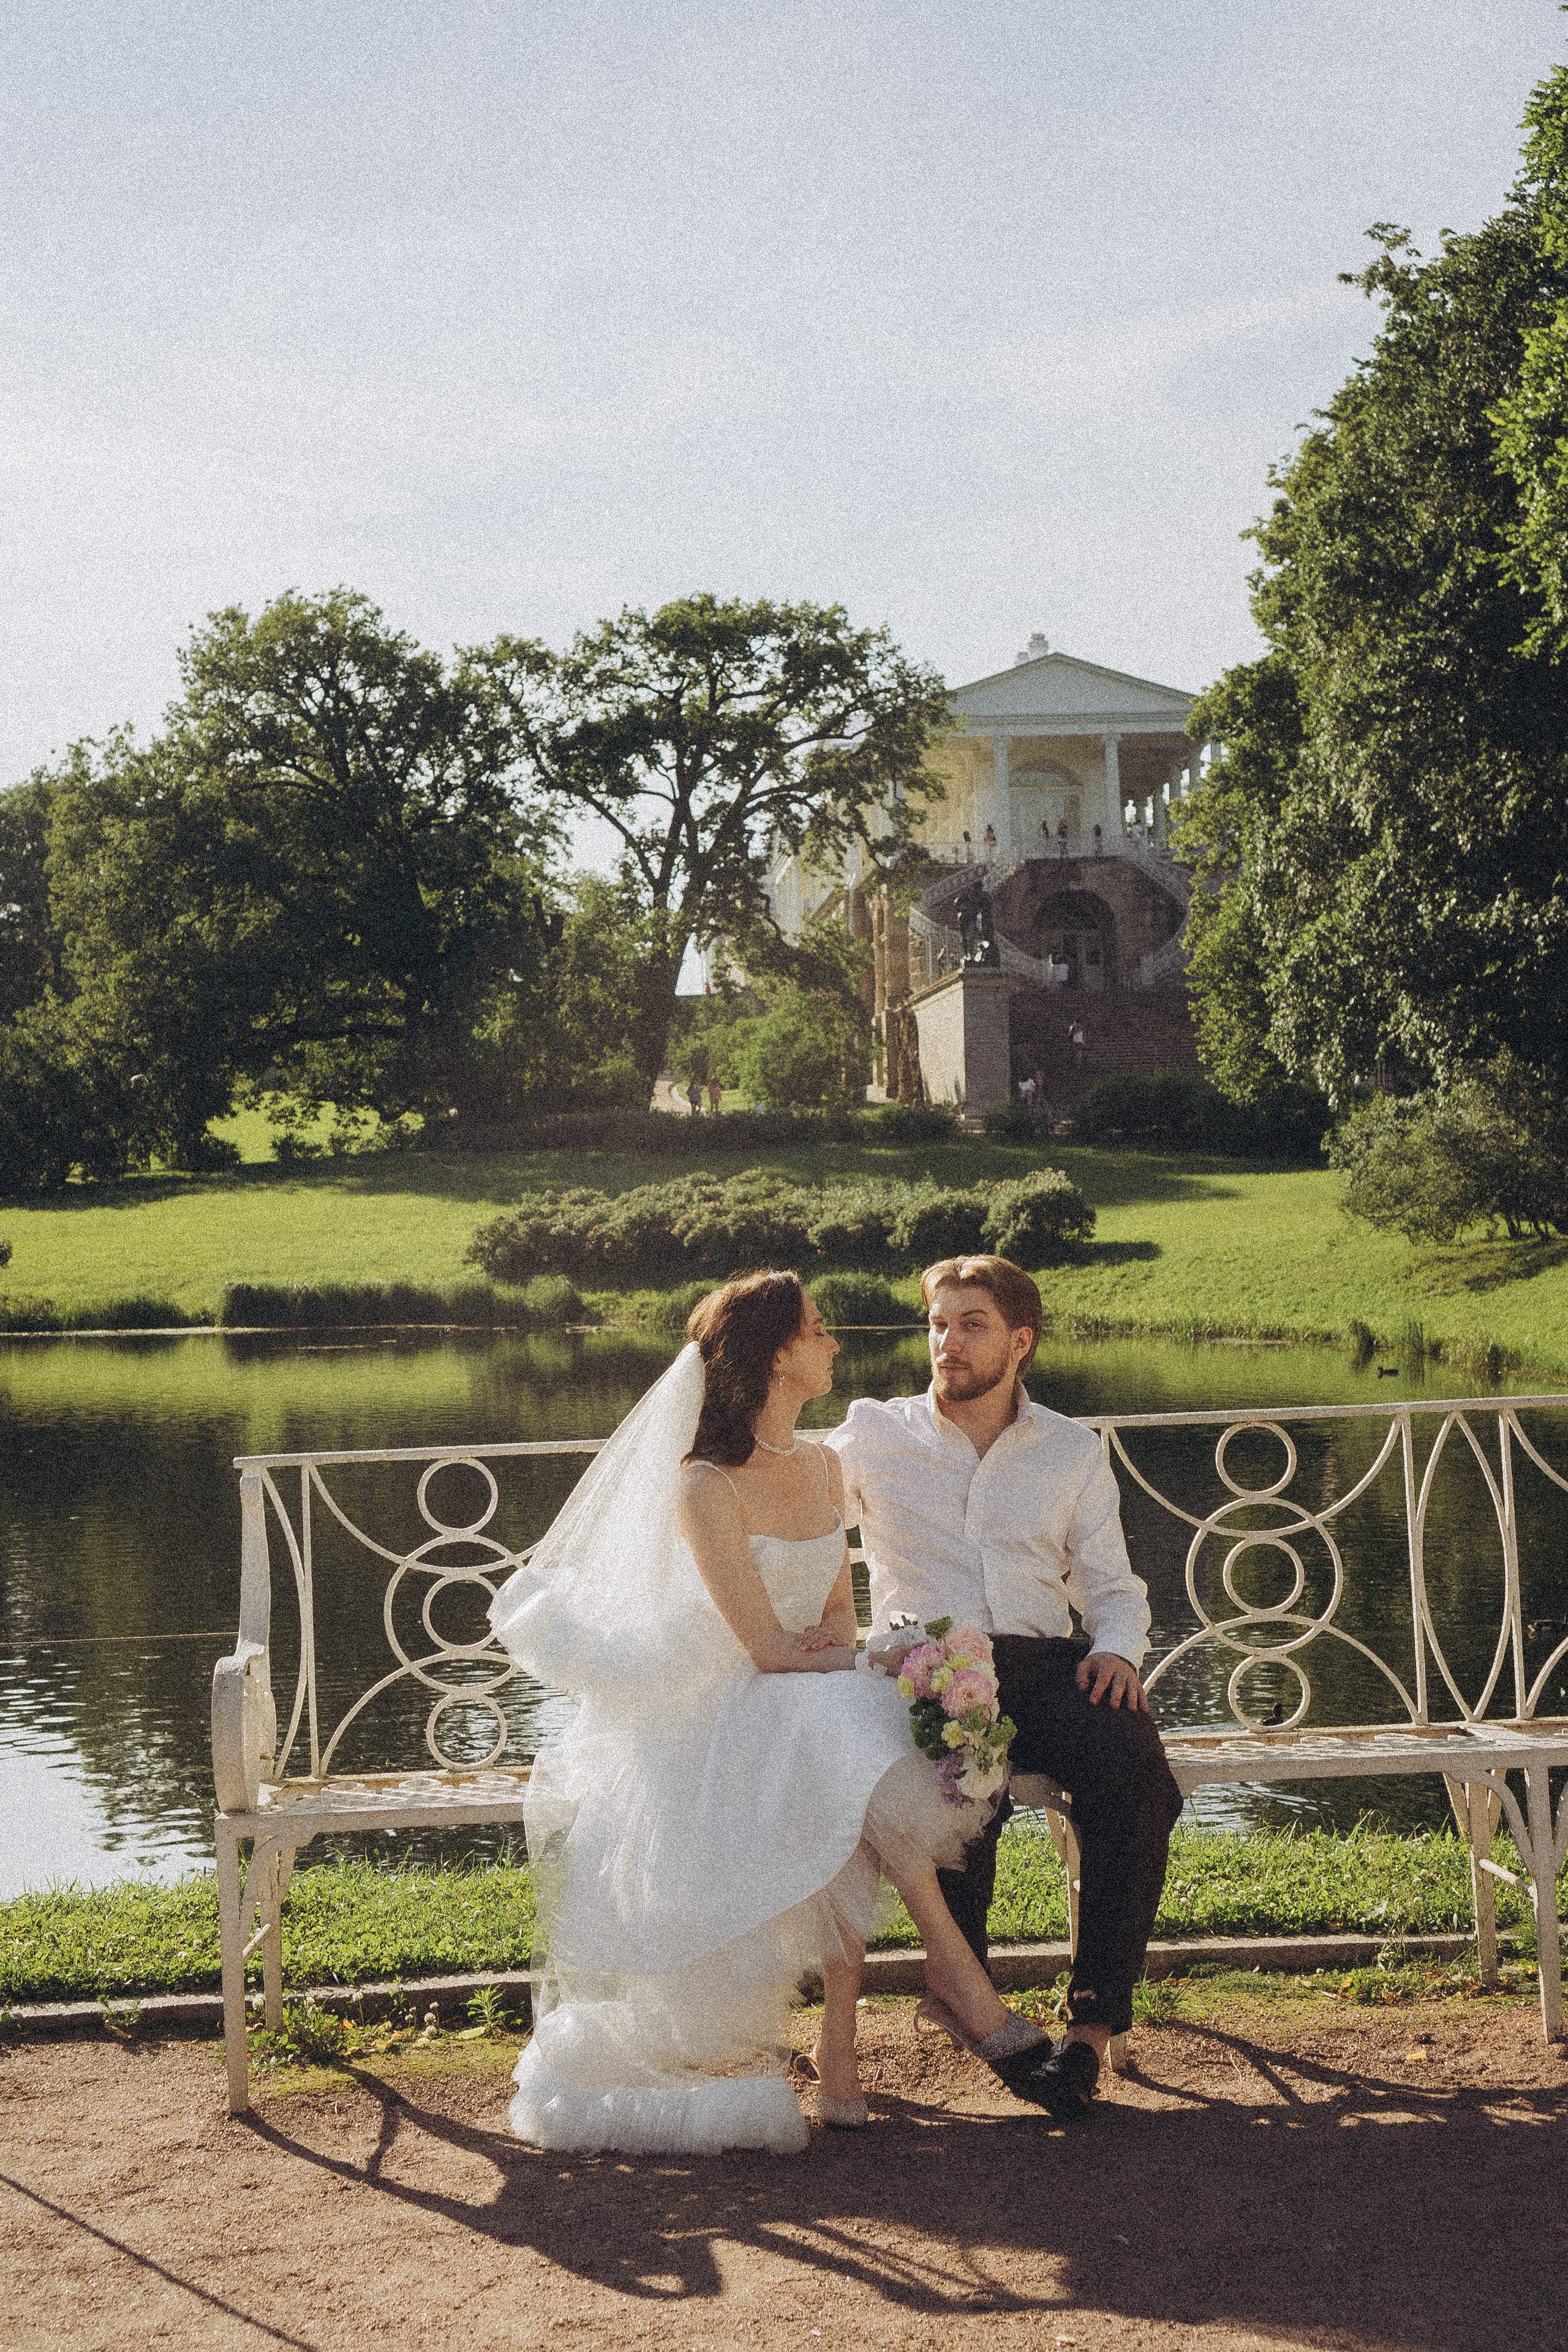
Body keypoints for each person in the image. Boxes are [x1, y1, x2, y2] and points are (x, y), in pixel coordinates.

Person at [488, 1272, 1061, 2157]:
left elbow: (833, 1619)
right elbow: (760, 1648)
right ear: (775, 1356)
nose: (834, 1344)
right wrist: (872, 1658)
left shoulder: (827, 1465)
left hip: (801, 1689)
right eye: (819, 1330)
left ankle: (850, 2042)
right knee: (849, 1741)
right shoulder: (705, 1485)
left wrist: (868, 1655)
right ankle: (952, 1997)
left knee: (852, 1738)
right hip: (713, 1709)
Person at [828, 1257, 1184, 2122]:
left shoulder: (1069, 1448)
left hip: (1044, 1663)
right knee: (960, 1786)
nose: (947, 1343)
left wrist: (1120, 1652)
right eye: (938, 1324)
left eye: (971, 1325)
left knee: (1139, 1779)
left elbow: (1111, 1585)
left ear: (1019, 1342)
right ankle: (971, 1997)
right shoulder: (876, 1433)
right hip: (929, 1664)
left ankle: (1091, 2031)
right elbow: (790, 1510)